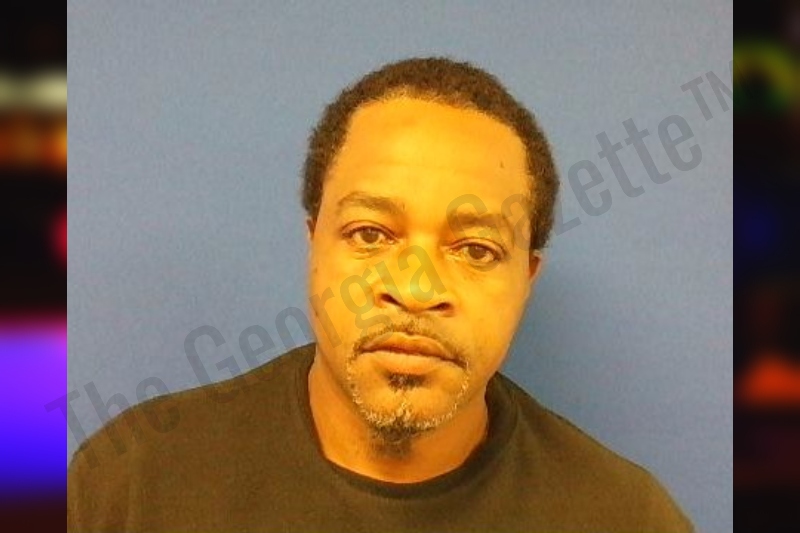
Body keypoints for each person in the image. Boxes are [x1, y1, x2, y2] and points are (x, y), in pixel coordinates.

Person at [68, 57, 694, 532]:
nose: (416, 290)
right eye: (370, 234)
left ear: (526, 280)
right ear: (314, 245)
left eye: (476, 250)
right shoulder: (134, 482)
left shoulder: (627, 518)